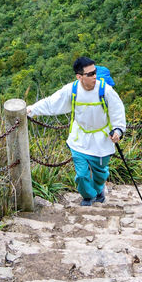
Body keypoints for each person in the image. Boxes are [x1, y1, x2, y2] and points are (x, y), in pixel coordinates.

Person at [27, 57, 126, 206]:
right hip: (80, 138)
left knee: (100, 173)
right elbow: (52, 103)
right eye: (90, 74)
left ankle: (99, 190)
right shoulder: (72, 90)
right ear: (79, 76)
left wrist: (118, 130)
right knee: (81, 175)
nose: (94, 76)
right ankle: (88, 196)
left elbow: (117, 110)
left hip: (102, 139)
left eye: (95, 72)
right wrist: (32, 110)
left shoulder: (105, 90)